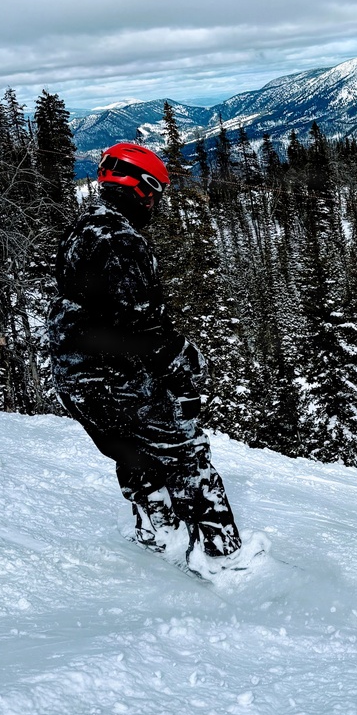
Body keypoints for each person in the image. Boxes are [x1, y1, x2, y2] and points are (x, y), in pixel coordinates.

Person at [48, 141, 242, 572]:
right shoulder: (119, 240)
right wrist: (184, 362)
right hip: (111, 375)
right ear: (137, 187)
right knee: (185, 451)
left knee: (135, 450)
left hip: (78, 376)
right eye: (153, 193)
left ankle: (159, 532)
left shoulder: (83, 229)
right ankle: (225, 559)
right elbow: (140, 326)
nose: (155, 203)